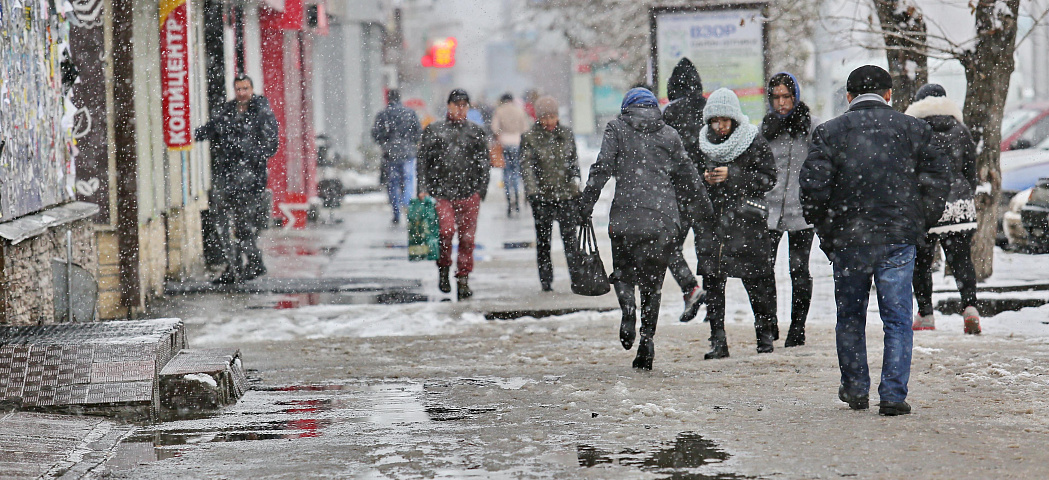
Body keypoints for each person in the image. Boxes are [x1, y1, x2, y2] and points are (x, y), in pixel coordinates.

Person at [801, 65, 950, 416]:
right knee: (897, 318)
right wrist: (918, 223)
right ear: (889, 95)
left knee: (850, 315)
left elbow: (812, 190)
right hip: (898, 236)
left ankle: (855, 387)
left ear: (849, 96)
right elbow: (937, 181)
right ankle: (893, 395)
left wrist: (829, 231)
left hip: (849, 239)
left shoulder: (830, 133)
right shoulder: (914, 129)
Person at [579, 87, 711, 370]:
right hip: (660, 220)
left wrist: (586, 203)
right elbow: (689, 176)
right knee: (653, 286)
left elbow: (602, 166)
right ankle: (647, 339)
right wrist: (705, 211)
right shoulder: (669, 134)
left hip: (625, 218)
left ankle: (628, 308)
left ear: (627, 107)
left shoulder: (616, 128)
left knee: (624, 273)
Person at [692, 88, 779, 359]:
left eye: (725, 121)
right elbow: (690, 178)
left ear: (735, 120)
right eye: (715, 121)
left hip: (746, 223)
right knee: (714, 284)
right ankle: (718, 341)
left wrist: (734, 175)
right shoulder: (702, 143)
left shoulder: (753, 140)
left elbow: (769, 178)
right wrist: (704, 179)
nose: (720, 127)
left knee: (756, 282)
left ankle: (764, 337)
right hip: (713, 223)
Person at [905, 84, 981, 334]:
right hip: (958, 204)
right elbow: (970, 169)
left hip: (926, 203)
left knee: (921, 262)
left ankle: (925, 314)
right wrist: (965, 192)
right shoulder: (960, 129)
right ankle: (970, 307)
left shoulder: (914, 129)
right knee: (961, 260)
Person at [195, 73, 279, 284]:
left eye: (245, 89)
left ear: (252, 89)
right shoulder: (227, 111)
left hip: (251, 179)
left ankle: (252, 262)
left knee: (243, 224)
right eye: (238, 89)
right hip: (227, 176)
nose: (242, 93)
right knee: (223, 224)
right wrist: (190, 134)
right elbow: (211, 128)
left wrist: (247, 152)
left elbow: (271, 145)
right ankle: (235, 266)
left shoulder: (262, 112)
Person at [762, 72, 819, 347]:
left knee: (799, 270)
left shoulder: (811, 128)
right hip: (768, 212)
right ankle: (769, 322)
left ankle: (798, 328)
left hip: (802, 211)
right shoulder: (765, 130)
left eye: (786, 96)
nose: (781, 103)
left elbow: (822, 166)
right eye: (776, 97)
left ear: (795, 96)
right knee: (764, 269)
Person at [417, 88, 491, 300]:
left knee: (468, 239)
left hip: (469, 193)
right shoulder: (434, 130)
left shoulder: (476, 132)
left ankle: (463, 278)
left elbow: (484, 163)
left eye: (464, 105)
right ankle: (443, 268)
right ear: (448, 106)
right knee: (446, 232)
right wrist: (422, 188)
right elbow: (422, 161)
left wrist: (481, 189)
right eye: (456, 104)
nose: (460, 109)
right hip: (442, 193)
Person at [662, 57, 709, 323]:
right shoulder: (708, 109)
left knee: (668, 246)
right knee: (708, 252)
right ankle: (713, 304)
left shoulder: (669, 113)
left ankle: (690, 287)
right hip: (708, 192)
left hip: (679, 194)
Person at [520, 96, 581, 292]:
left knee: (570, 241)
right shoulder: (530, 137)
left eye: (552, 117)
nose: (549, 122)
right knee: (544, 241)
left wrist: (576, 184)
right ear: (538, 118)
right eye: (545, 118)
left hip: (566, 196)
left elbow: (573, 162)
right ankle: (546, 280)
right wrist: (533, 192)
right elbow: (527, 167)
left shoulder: (566, 134)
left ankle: (576, 278)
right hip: (543, 198)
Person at [371, 89, 422, 224]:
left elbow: (376, 133)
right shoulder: (410, 113)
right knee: (408, 180)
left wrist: (385, 144)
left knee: (393, 183)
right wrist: (411, 143)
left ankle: (396, 212)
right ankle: (406, 204)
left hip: (390, 154)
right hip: (408, 153)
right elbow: (418, 131)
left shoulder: (383, 114)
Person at [492, 93, 531, 216]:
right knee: (516, 171)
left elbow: (494, 127)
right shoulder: (519, 111)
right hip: (517, 143)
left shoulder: (499, 111)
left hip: (504, 143)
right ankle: (517, 199)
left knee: (506, 172)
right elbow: (525, 128)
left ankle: (509, 200)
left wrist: (501, 134)